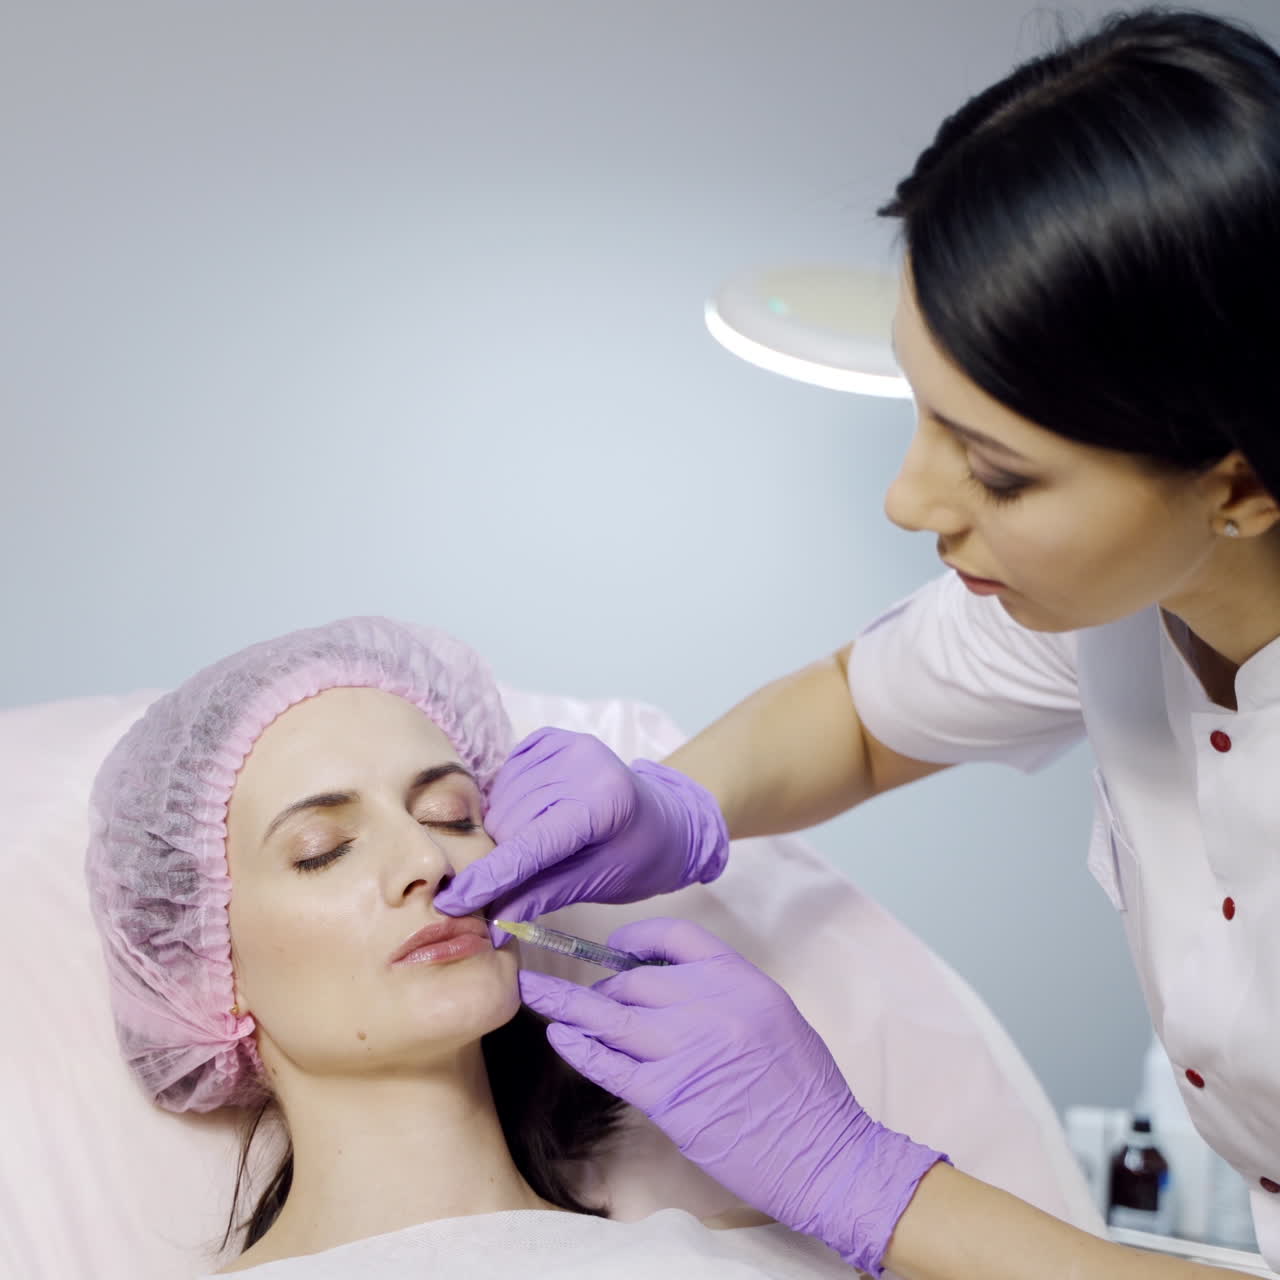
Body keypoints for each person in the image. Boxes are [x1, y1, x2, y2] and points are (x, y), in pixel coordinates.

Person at [433, 8, 1280, 1278]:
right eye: (920, 408)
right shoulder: (1114, 594)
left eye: (995, 472)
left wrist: (865, 1181)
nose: (909, 500)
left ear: (1238, 486)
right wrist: (674, 801)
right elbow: (857, 715)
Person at [84, 617, 862, 1277]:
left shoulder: (755, 1261)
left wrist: (860, 1179)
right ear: (201, 978)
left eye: (453, 815)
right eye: (323, 848)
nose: (429, 861)